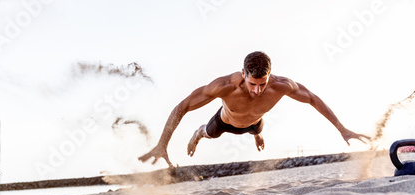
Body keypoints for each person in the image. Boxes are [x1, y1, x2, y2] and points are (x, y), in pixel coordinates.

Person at [138, 51, 370, 167]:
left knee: (257, 127)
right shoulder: (224, 86)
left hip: (254, 121)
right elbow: (182, 107)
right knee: (209, 132)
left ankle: (257, 135)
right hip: (224, 121)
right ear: (243, 74)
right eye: (252, 84)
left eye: (263, 84)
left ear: (270, 76)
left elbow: (312, 99)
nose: (258, 91)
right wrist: (162, 144)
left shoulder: (281, 85)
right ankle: (199, 134)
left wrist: (342, 128)